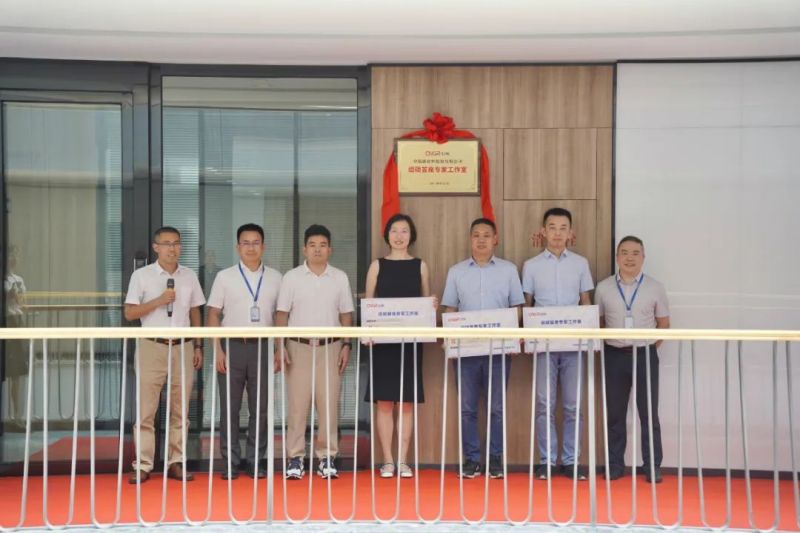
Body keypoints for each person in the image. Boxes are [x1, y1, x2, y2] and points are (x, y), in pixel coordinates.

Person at [441, 217, 525, 479]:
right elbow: (450, 309)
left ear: (495, 239)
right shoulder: (456, 272)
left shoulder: (509, 270)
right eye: (476, 235)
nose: (481, 240)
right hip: (466, 351)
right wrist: (449, 341)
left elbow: (517, 309)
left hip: (499, 350)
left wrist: (514, 339)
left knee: (496, 408)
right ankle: (472, 460)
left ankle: (495, 459)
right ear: (470, 239)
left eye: (486, 235)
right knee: (467, 408)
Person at [124, 226, 206, 484]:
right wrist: (159, 300)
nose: (172, 248)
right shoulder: (142, 275)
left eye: (176, 243)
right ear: (156, 247)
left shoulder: (189, 276)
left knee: (180, 409)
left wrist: (199, 345)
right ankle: (143, 464)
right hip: (152, 345)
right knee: (146, 409)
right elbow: (130, 313)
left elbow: (195, 311)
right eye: (167, 243)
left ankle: (176, 462)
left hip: (183, 345)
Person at [276, 224, 354, 480]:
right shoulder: (291, 278)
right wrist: (280, 346)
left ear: (330, 249)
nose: (317, 250)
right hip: (297, 347)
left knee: (328, 405)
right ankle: (295, 458)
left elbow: (346, 315)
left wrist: (346, 345)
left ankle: (327, 457)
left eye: (322, 245)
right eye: (312, 245)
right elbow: (282, 315)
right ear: (304, 249)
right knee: (297, 406)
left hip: (330, 347)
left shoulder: (339, 277)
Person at [522, 207, 593, 480]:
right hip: (543, 344)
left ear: (570, 233)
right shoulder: (531, 266)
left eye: (563, 228)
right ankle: (548, 461)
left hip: (574, 344)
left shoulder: (580, 264)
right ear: (543, 231)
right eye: (552, 227)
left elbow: (585, 302)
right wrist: (525, 337)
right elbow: (526, 306)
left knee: (574, 405)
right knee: (544, 404)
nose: (557, 233)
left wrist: (590, 337)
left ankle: (572, 461)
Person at [206, 223, 282, 480]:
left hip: (263, 346)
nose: (251, 247)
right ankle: (230, 461)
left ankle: (255, 461)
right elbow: (213, 314)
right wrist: (217, 349)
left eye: (256, 242)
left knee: (260, 409)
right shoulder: (224, 277)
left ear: (263, 246)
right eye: (246, 243)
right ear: (238, 247)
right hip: (232, 347)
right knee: (230, 407)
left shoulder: (276, 277)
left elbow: (281, 316)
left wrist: (279, 349)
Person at [364, 213, 435, 479]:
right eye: (394, 230)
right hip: (383, 343)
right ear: (387, 235)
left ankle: (403, 461)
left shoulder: (420, 266)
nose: (399, 236)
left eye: (404, 231)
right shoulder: (377, 266)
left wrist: (431, 305)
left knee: (406, 403)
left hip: (410, 343)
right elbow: (369, 304)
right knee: (384, 402)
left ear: (411, 235)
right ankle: (387, 461)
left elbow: (425, 303)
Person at [595, 235, 670, 483]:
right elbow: (600, 323)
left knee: (648, 414)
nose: (630, 258)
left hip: (645, 355)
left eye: (635, 253)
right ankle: (615, 465)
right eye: (624, 253)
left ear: (643, 257)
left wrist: (646, 347)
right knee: (615, 414)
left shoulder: (655, 287)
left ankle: (652, 466)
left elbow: (664, 324)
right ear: (617, 257)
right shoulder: (604, 288)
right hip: (614, 356)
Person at [4, 245, 27, 424]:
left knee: (16, 372)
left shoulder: (18, 279)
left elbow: (22, 302)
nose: (14, 259)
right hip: (5, 321)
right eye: (11, 255)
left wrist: (17, 295)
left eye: (16, 255)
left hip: (16, 322)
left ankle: (16, 415)